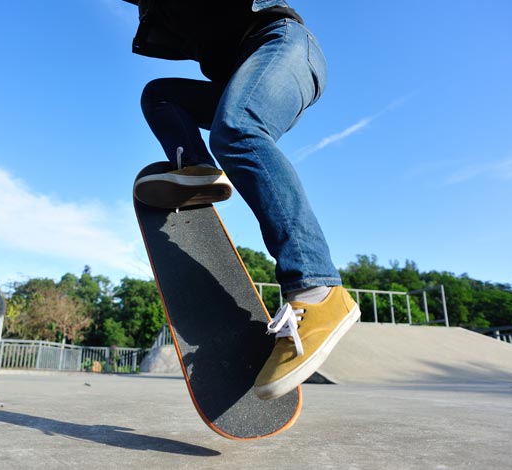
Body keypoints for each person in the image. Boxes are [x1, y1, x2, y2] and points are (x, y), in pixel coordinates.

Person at [125, 0, 361, 400]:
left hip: (284, 46)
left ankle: (317, 289)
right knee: (161, 95)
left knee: (237, 130)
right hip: (244, 71)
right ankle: (196, 169)